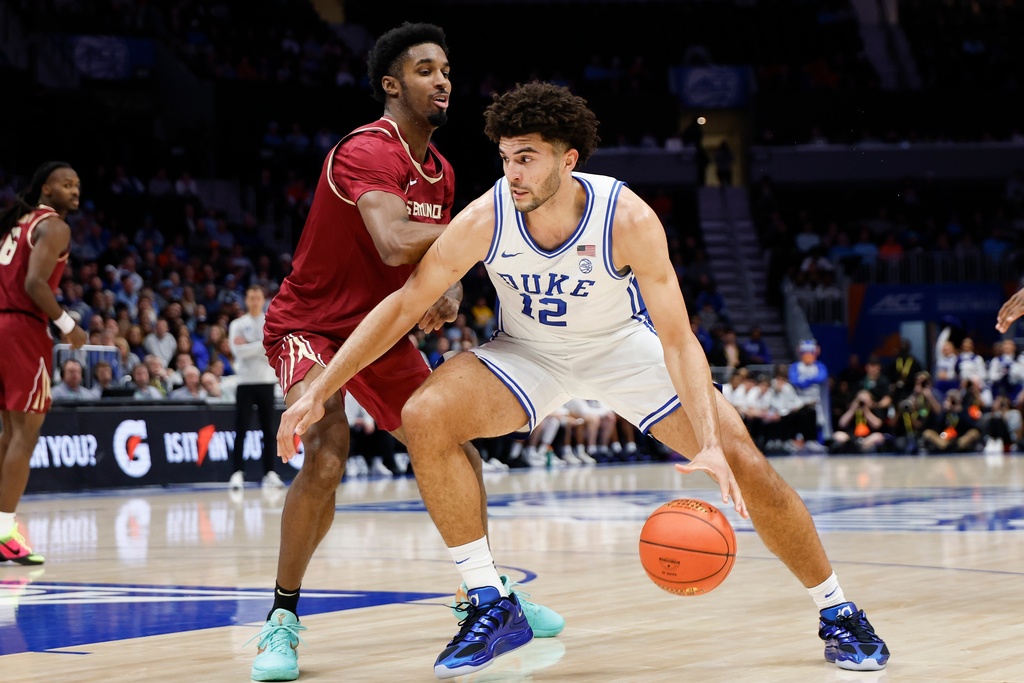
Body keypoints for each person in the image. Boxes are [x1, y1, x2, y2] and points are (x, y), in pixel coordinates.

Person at [277, 82, 889, 677]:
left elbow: (677, 338)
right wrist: (324, 387)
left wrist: (704, 437)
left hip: (619, 349)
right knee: (424, 414)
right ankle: (491, 600)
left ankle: (837, 610)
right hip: (528, 353)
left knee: (745, 460)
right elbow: (407, 304)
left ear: (568, 160)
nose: (512, 173)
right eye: (505, 158)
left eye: (527, 159)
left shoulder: (626, 217)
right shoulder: (489, 214)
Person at [250, 25, 562, 682]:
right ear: (392, 85)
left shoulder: (442, 172)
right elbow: (394, 240)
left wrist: (439, 295)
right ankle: (281, 618)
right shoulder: (368, 147)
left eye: (446, 69)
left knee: (449, 442)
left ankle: (483, 592)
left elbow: (417, 268)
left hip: (381, 331)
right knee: (329, 453)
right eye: (425, 70)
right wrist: (490, 226)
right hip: (310, 326)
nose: (441, 80)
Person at [0, 161, 88, 565]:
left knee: (9, 432)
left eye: (77, 185)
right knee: (26, 433)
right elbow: (35, 283)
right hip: (21, 328)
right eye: (66, 184)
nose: (74, 190)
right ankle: (3, 531)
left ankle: (2, 527)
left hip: (3, 323)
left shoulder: (15, 223)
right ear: (45, 189)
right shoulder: (54, 226)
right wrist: (69, 325)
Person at [228, 285, 282, 490]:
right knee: (241, 429)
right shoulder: (237, 324)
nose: (255, 301)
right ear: (246, 300)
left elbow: (274, 346)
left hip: (267, 381)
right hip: (244, 382)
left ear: (263, 300)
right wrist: (262, 344)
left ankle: (269, 472)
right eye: (251, 297)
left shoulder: (271, 322)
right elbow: (237, 351)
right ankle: (237, 473)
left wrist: (251, 345)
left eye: (258, 297)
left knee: (268, 430)